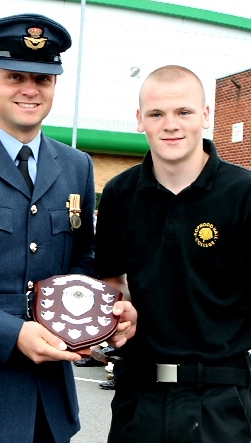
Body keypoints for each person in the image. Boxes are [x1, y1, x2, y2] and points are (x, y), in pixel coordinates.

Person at [0, 13, 136, 443]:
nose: (30, 89)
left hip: (48, 408)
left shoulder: (77, 166)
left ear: (55, 85)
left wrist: (102, 316)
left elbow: (82, 262)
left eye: (43, 79)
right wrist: (13, 333)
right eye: (15, 76)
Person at [95, 64, 251, 442]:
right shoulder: (119, 194)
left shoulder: (243, 193)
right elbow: (113, 281)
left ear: (206, 115)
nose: (171, 125)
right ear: (139, 120)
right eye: (156, 113)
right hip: (138, 395)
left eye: (183, 111)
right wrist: (119, 313)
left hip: (221, 400)